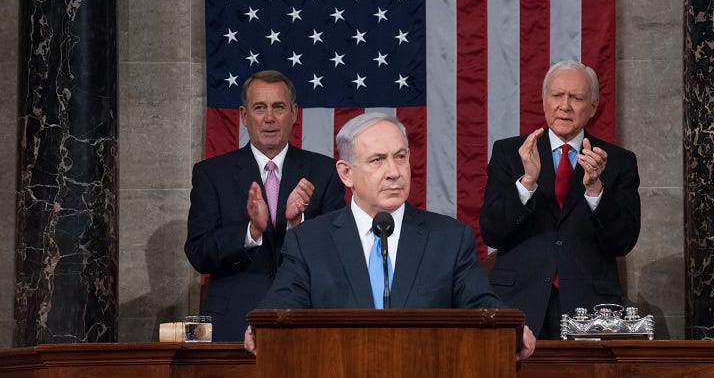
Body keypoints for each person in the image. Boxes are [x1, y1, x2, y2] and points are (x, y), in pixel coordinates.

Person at [244, 112, 535, 360]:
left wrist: (511, 327)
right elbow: (279, 307)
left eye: (400, 157)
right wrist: (261, 327)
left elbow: (481, 302)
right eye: (377, 160)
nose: (394, 172)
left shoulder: (448, 238)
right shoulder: (310, 242)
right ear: (346, 174)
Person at [480, 60, 641, 340]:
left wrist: (596, 191)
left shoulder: (617, 162)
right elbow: (492, 232)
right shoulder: (510, 153)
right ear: (544, 101)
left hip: (590, 308)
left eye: (576, 98)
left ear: (593, 107)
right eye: (557, 95)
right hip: (518, 302)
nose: (564, 105)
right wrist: (527, 182)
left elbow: (623, 241)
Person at [184, 70, 345, 341]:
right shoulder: (212, 173)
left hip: (307, 320)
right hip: (233, 323)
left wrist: (298, 225)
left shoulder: (325, 171)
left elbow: (339, 251)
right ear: (244, 116)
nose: (269, 117)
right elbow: (199, 253)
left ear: (294, 114)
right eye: (260, 108)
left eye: (278, 107)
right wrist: (251, 232)